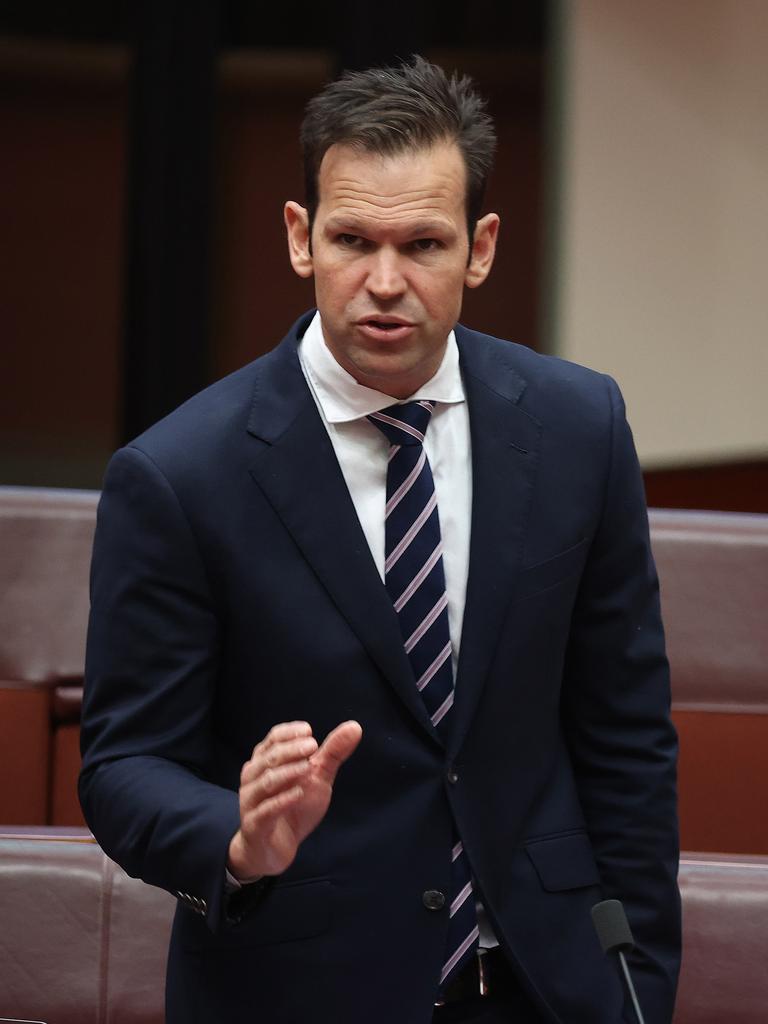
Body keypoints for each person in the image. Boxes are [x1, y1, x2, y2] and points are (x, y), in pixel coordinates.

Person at [80, 57, 680, 1024]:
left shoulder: (580, 428)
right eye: (352, 239)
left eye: (424, 244)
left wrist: (637, 989)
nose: (385, 283)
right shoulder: (179, 474)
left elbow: (627, 738)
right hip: (299, 989)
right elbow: (122, 767)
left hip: (546, 982)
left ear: (480, 248)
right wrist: (237, 838)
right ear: (298, 237)